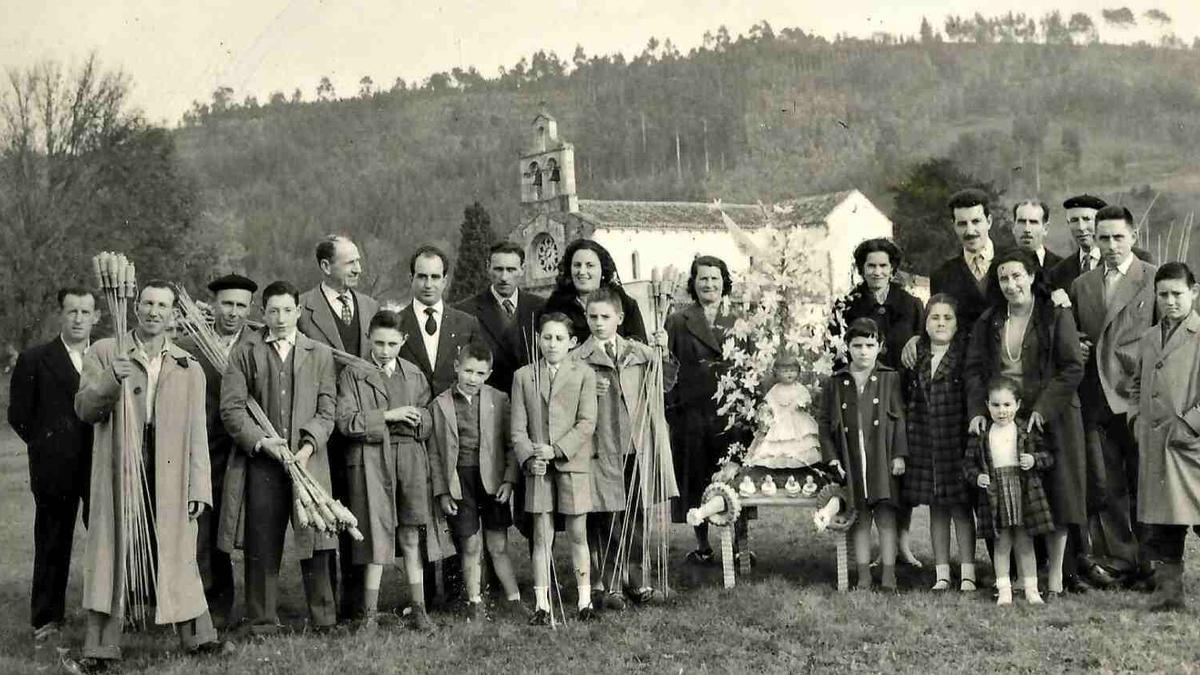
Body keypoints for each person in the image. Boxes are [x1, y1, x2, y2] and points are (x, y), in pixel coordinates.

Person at [73, 282, 220, 665]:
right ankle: (100, 648)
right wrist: (110, 379)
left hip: (170, 468)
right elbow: (84, 409)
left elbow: (197, 434)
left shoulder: (187, 366)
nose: (155, 312)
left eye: (163, 306)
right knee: (112, 549)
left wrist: (198, 487)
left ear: (173, 313)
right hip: (121, 463)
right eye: (148, 304)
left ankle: (199, 638)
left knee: (179, 548)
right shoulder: (106, 351)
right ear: (135, 307)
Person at [965, 249, 1087, 598]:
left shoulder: (1054, 314)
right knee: (1014, 497)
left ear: (1032, 276)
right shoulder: (989, 320)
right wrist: (977, 410)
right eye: (1003, 277)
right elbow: (973, 369)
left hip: (1054, 414)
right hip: (1005, 417)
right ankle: (1019, 575)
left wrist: (1043, 409)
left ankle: (1056, 578)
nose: (1011, 283)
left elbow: (1072, 367)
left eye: (1018, 275)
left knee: (1057, 495)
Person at [219, 281, 338, 635]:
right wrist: (263, 443)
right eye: (273, 311)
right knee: (262, 541)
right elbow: (232, 409)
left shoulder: (319, 353)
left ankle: (324, 618)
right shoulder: (244, 352)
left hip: (308, 463)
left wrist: (306, 447)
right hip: (263, 465)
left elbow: (327, 409)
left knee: (316, 536)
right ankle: (262, 620)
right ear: (263, 313)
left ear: (298, 312)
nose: (281, 318)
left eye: (288, 310)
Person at [1068, 205, 1157, 586]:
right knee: (1108, 485)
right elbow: (1076, 335)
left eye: (1118, 237)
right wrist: (1080, 346)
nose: (1110, 245)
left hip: (1139, 396)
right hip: (1097, 398)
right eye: (1103, 237)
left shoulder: (1152, 279)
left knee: (1146, 481)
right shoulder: (1082, 285)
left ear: (1133, 237)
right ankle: (1121, 559)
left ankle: (1153, 561)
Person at [335, 309, 439, 631]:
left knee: (410, 534)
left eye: (392, 344)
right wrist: (389, 416)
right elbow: (347, 422)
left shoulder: (414, 374)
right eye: (378, 343)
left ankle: (419, 609)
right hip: (371, 460)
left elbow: (428, 418)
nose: (384, 351)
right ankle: (368, 617)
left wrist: (420, 420)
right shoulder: (353, 374)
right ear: (368, 338)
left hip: (409, 459)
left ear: (404, 340)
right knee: (376, 537)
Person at [573, 287, 677, 609]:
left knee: (637, 514)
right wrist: (588, 387)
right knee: (608, 515)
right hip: (601, 447)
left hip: (635, 444)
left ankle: (638, 578)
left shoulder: (638, 352)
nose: (599, 323)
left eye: (606, 317)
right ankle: (612, 584)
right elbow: (565, 400)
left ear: (619, 318)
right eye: (593, 317)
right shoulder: (578, 359)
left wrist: (664, 353)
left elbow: (666, 382)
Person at [297, 235, 379, 622]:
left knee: (359, 510)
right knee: (325, 515)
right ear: (326, 267)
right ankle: (327, 606)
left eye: (358, 261)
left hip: (360, 426)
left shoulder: (370, 306)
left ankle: (358, 603)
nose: (358, 269)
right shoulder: (301, 310)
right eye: (349, 263)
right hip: (323, 425)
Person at [9, 288, 98, 641]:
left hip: (99, 465)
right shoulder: (35, 359)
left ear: (97, 317)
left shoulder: (108, 356)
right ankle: (47, 617)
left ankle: (113, 612)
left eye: (85, 311)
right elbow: (19, 415)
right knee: (52, 541)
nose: (78, 318)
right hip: (54, 469)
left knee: (107, 540)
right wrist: (50, 445)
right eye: (72, 311)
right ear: (61, 314)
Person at [395, 244, 481, 605]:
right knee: (420, 509)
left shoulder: (466, 323)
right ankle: (426, 595)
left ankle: (461, 590)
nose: (428, 284)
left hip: (455, 433)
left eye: (435, 277)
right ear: (411, 278)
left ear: (445, 280)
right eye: (421, 276)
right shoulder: (397, 325)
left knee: (455, 506)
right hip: (413, 431)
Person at [832, 238, 923, 567]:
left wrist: (915, 339)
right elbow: (835, 351)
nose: (877, 271)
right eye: (871, 265)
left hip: (901, 394)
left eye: (884, 265)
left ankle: (902, 541)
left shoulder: (911, 304)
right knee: (870, 470)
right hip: (861, 398)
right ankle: (872, 547)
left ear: (893, 268)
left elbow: (923, 343)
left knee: (901, 469)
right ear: (861, 268)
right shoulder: (847, 304)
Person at [175, 273, 258, 627]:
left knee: (240, 530)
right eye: (227, 303)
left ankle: (249, 606)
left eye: (241, 305)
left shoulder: (259, 345)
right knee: (203, 532)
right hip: (203, 451)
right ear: (212, 305)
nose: (233, 312)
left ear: (250, 308)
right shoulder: (188, 347)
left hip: (246, 453)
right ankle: (209, 606)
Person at [511, 312, 598, 624]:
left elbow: (587, 422)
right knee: (541, 536)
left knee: (577, 533)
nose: (552, 344)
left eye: (560, 338)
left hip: (571, 463)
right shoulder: (524, 376)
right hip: (538, 467)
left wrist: (556, 449)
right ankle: (542, 605)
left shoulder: (584, 374)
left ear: (572, 342)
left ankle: (585, 600)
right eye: (546, 337)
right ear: (538, 339)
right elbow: (517, 430)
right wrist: (529, 455)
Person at [429, 341, 524, 622]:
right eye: (468, 371)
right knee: (470, 545)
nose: (473, 379)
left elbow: (510, 444)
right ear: (456, 367)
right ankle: (475, 602)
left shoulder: (499, 399)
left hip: (492, 480)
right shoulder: (440, 404)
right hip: (460, 481)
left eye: (480, 374)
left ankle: (514, 599)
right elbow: (434, 453)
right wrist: (443, 492)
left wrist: (509, 479)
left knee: (497, 545)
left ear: (489, 373)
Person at [1130, 263, 1200, 611]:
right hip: (1157, 446)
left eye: (1177, 294)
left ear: (1194, 292)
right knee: (1163, 526)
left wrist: (1190, 425)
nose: (1170, 301)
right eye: (1163, 295)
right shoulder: (1149, 337)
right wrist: (1135, 419)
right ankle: (1169, 594)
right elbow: (1135, 383)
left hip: (1192, 447)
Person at [819, 318, 908, 591]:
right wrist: (832, 456)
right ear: (847, 347)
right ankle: (864, 576)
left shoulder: (889, 377)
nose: (863, 351)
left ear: (879, 346)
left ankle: (889, 575)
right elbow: (825, 423)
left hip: (881, 455)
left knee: (885, 516)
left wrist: (899, 455)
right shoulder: (836, 381)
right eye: (857, 345)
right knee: (860, 518)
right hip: (852, 456)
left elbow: (900, 418)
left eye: (870, 345)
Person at [665, 255, 739, 563]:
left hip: (730, 414)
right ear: (693, 283)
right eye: (703, 278)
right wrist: (673, 409)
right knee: (696, 479)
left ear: (725, 282)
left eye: (715, 278)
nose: (709, 284)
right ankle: (703, 545)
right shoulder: (678, 321)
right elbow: (667, 369)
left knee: (730, 479)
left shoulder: (740, 320)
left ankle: (738, 546)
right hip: (691, 415)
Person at [902, 294, 977, 592]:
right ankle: (942, 573)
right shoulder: (916, 355)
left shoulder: (963, 356)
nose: (941, 323)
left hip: (955, 442)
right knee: (937, 509)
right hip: (925, 442)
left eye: (947, 318)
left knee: (960, 508)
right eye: (935, 317)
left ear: (957, 324)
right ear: (926, 322)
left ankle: (968, 571)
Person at [964, 376, 1055, 606]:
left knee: (1025, 542)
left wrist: (1033, 460)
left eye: (1007, 405)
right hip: (996, 494)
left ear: (1018, 405)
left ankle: (1031, 589)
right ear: (987, 406)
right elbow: (967, 466)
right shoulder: (982, 434)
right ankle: (1004, 588)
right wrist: (978, 477)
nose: (1001, 411)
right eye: (995, 405)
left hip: (1023, 492)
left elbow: (1049, 456)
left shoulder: (1025, 430)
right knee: (1002, 543)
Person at [456, 240, 546, 395]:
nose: (504, 277)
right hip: (486, 404)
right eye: (498, 269)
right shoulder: (465, 311)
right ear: (487, 267)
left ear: (522, 269)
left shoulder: (541, 308)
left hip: (531, 400)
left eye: (511, 270)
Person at [542, 239, 648, 344]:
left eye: (590, 265)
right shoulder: (555, 307)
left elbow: (641, 349)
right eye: (577, 265)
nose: (582, 272)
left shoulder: (625, 304)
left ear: (602, 270)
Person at [1011, 200, 1063, 272]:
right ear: (1013, 227)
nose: (1027, 229)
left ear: (1045, 229)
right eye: (1021, 222)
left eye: (1033, 222)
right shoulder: (998, 264)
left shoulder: (1061, 267)